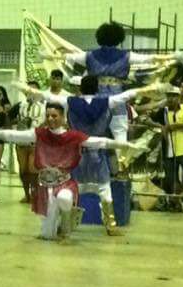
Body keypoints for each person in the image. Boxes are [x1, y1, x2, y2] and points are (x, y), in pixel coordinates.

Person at [0, 103, 144, 242]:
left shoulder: (73, 136)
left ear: (62, 117)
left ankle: (66, 229)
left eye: (54, 116)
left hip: (65, 184)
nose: (51, 119)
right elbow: (11, 135)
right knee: (47, 236)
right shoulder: (40, 134)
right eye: (48, 116)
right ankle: (56, 225)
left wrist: (128, 145)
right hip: (44, 187)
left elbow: (100, 142)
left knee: (65, 198)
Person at [16, 76, 167, 234]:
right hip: (98, 155)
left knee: (70, 190)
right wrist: (149, 89)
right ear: (97, 88)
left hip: (76, 155)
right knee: (105, 190)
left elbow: (47, 96)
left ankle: (64, 225)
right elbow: (127, 95)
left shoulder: (70, 101)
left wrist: (25, 88)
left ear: (81, 88)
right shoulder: (106, 102)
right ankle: (111, 226)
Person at [62, 22, 183, 144]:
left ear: (100, 37)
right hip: (117, 98)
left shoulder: (88, 56)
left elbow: (67, 57)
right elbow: (150, 58)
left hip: (97, 100)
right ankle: (122, 154)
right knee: (120, 137)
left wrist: (52, 56)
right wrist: (174, 56)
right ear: (119, 38)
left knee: (93, 137)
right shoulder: (126, 56)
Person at [151, 86, 183, 211]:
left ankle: (177, 194)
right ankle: (175, 203)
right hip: (168, 151)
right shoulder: (163, 111)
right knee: (171, 178)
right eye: (169, 96)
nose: (171, 98)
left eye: (174, 96)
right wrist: (160, 126)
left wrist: (176, 126)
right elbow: (149, 120)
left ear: (179, 97)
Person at [11, 81, 45, 203]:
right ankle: (27, 194)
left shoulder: (43, 107)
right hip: (21, 142)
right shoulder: (20, 106)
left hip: (35, 142)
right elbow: (10, 118)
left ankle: (35, 194)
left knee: (32, 170)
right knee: (23, 170)